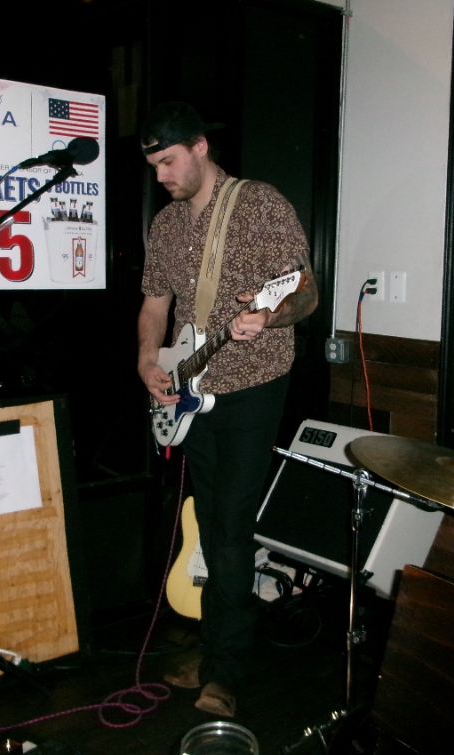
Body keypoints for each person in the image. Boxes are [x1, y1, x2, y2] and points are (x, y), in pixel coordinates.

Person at [136, 102, 319, 718]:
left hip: (252, 383)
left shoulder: (260, 205)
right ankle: (217, 646)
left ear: (201, 146)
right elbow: (156, 304)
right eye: (154, 166)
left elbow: (304, 288)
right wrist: (146, 359)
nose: (161, 176)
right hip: (191, 385)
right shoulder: (165, 226)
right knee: (208, 518)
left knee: (232, 526)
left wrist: (270, 314)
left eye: (169, 161)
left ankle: (227, 675)